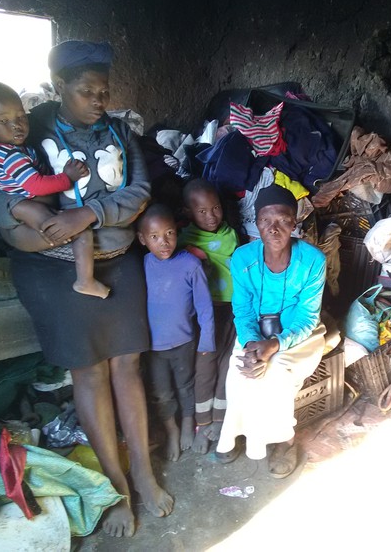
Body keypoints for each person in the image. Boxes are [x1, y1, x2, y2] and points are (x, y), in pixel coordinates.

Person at [0, 40, 173, 537]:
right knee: (90, 373)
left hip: (116, 258)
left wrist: (92, 211)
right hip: (53, 268)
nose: (98, 100)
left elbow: (140, 191)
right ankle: (116, 486)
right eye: (86, 92)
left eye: (104, 91)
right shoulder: (26, 126)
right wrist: (19, 225)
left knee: (128, 363)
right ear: (58, 88)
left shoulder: (121, 131)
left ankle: (143, 471)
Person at [214, 184, 327, 479]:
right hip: (254, 331)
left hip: (298, 334)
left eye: (282, 220)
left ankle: (285, 441)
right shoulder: (242, 259)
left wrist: (275, 344)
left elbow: (307, 317)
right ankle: (237, 434)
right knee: (240, 368)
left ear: (294, 222)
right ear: (256, 222)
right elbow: (243, 310)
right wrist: (252, 343)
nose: (273, 229)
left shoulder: (313, 261)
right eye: (265, 220)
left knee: (276, 371)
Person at [0, 81, 110, 299]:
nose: (16, 125)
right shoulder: (10, 156)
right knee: (80, 230)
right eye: (4, 121)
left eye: (21, 117)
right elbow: (36, 184)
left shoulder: (6, 146)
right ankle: (85, 281)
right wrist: (67, 178)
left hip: (33, 210)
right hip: (33, 214)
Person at [136, 203, 215, 461]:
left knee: (186, 384)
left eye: (169, 233)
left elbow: (205, 308)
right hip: (154, 347)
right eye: (155, 237)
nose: (164, 242)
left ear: (177, 232)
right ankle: (171, 429)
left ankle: (188, 422)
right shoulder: (142, 266)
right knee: (161, 391)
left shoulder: (190, 264)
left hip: (184, 342)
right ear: (142, 239)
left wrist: (207, 342)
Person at [178, 178, 239, 454]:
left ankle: (220, 419)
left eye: (215, 208)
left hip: (233, 308)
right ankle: (202, 424)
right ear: (189, 212)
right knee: (205, 366)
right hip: (205, 312)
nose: (211, 216)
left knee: (228, 363)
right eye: (202, 211)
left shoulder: (231, 235)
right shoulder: (184, 241)